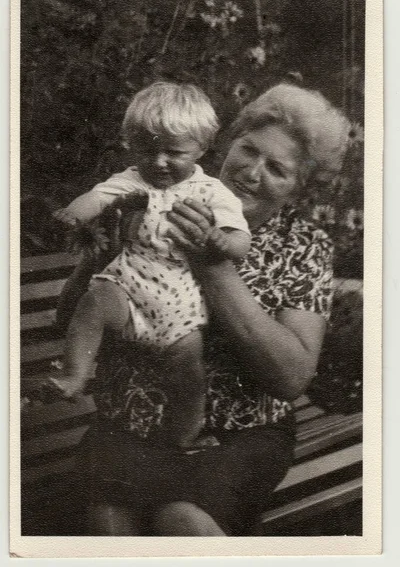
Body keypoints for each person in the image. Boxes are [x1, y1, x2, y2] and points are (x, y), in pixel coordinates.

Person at [63, 82, 351, 536]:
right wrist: (104, 254)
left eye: (277, 168)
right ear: (226, 144)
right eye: (248, 149)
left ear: (298, 188)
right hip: (129, 424)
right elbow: (69, 321)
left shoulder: (304, 246)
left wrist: (215, 269)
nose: (251, 172)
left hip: (238, 435)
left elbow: (291, 378)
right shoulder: (149, 195)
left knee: (182, 521)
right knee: (113, 527)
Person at [50, 81, 251, 448]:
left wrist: (222, 241)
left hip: (180, 303)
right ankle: (74, 375)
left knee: (188, 376)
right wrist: (73, 216)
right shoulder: (130, 182)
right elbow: (95, 199)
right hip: (127, 286)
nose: (158, 162)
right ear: (132, 144)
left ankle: (184, 437)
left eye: (174, 153)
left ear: (202, 148)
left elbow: (241, 241)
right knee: (93, 305)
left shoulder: (210, 192)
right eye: (147, 150)